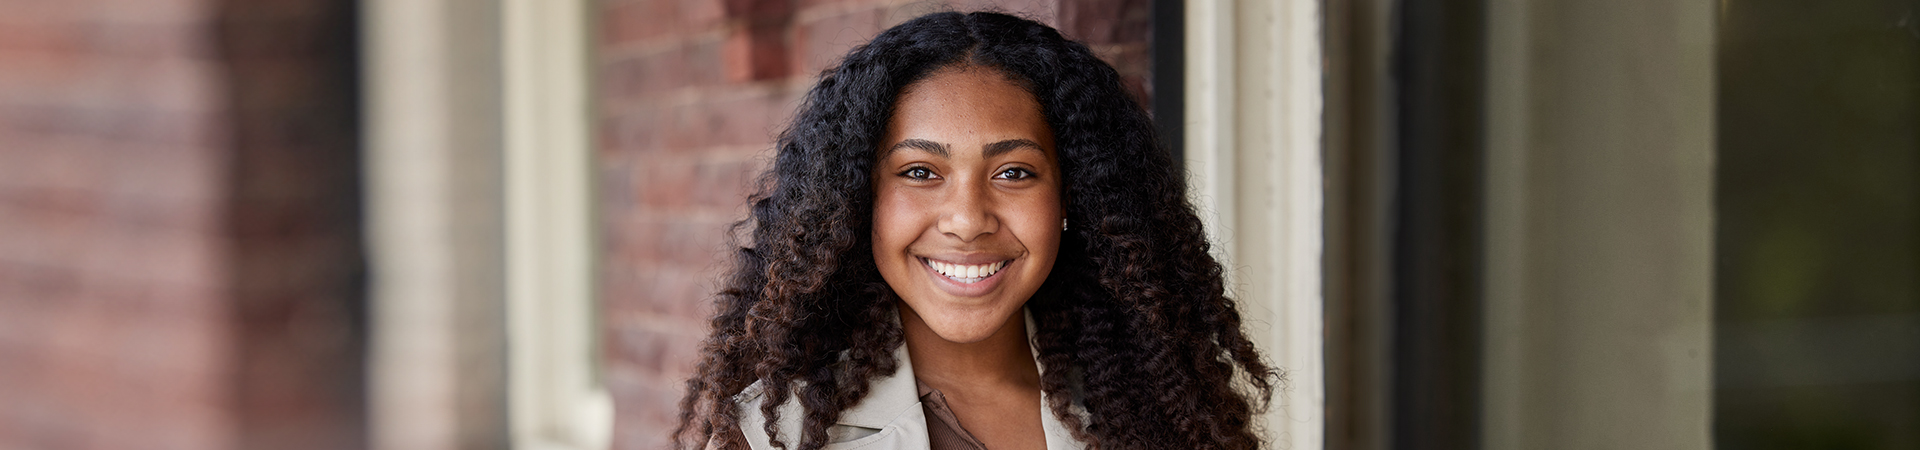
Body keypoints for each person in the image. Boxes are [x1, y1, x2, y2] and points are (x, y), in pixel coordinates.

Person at [672, 11, 1278, 450]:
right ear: (859, 202)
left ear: (1073, 197)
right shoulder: (768, 439)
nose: (967, 219)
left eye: (1014, 172)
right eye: (920, 172)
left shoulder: (1158, 412)